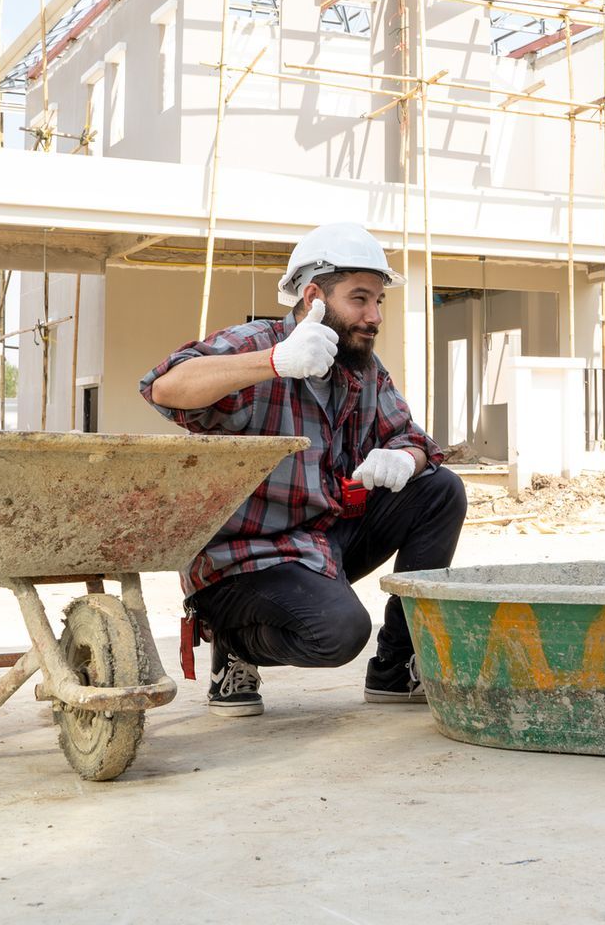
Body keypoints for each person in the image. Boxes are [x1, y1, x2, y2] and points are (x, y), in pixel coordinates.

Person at [140, 222, 465, 717]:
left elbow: (414, 436)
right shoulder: (257, 344)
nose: (374, 315)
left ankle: (397, 667)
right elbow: (165, 387)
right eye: (360, 299)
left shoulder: (361, 369)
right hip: (243, 564)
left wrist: (404, 457)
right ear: (314, 295)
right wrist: (273, 362)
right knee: (338, 633)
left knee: (439, 489)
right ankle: (233, 643)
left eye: (380, 301)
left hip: (319, 542)